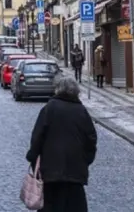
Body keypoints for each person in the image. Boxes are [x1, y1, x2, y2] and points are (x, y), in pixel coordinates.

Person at [26, 77, 98, 212]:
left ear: (57, 90)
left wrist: (33, 157)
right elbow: (91, 139)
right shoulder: (81, 111)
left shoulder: (49, 108)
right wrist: (86, 160)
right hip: (75, 172)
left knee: (51, 206)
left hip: (50, 172)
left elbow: (37, 136)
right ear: (76, 92)